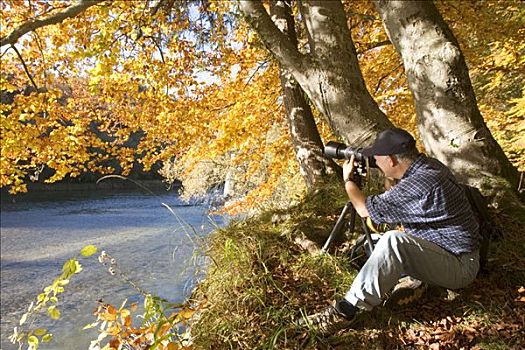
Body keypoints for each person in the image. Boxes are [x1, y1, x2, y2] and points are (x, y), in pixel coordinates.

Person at [301, 128, 480, 335]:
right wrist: (388, 176)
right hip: (444, 251)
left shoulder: (422, 184)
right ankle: (416, 283)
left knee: (393, 241)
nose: (375, 162)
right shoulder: (429, 168)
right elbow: (398, 199)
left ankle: (346, 310)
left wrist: (348, 180)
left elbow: (363, 209)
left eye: (377, 159)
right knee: (372, 242)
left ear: (392, 160)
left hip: (459, 265)